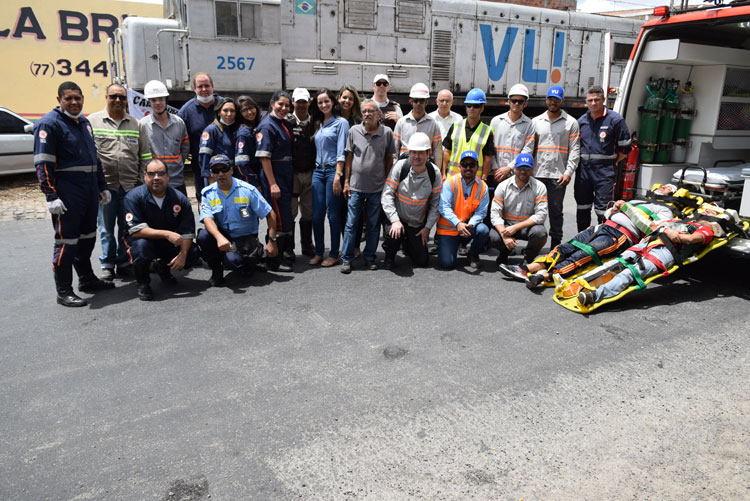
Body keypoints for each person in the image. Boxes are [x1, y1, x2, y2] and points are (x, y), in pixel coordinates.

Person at [499, 184, 681, 288]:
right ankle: (527, 268)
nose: (660, 187)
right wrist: (615, 209)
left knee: (583, 255)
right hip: (603, 226)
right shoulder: (638, 200)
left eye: (665, 188)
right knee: (566, 247)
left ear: (670, 194)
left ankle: (545, 276)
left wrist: (627, 209)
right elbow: (608, 213)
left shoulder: (665, 211)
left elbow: (654, 229)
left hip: (622, 235)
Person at [34, 81, 115, 307]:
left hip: (88, 190)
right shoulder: (49, 125)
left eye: (77, 98)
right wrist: (51, 196)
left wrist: (102, 186)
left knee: (88, 236)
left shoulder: (84, 123)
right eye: (68, 98)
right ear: (59, 100)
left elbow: (94, 159)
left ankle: (87, 279)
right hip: (67, 192)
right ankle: (63, 290)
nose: (74, 102)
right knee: (67, 241)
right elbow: (43, 164)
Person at [576, 206, 733, 307]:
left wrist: (670, 232)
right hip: (650, 242)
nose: (705, 210)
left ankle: (594, 295)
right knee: (616, 264)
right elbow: (655, 226)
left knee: (630, 273)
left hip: (665, 252)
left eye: (711, 211)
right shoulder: (681, 221)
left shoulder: (708, 229)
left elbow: (691, 239)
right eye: (705, 208)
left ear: (718, 217)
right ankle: (582, 283)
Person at [89, 83, 152, 280]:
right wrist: (96, 185)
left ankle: (124, 262)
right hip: (105, 187)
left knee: (126, 228)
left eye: (121, 97)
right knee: (106, 228)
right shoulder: (92, 122)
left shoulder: (137, 124)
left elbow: (146, 155)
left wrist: (141, 184)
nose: (117, 100)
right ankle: (107, 264)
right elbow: (89, 156)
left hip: (130, 187)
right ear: (106, 97)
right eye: (113, 96)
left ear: (126, 100)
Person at [123, 159, 199, 301]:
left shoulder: (179, 198)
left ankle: (162, 268)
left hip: (168, 243)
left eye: (161, 174)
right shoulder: (133, 197)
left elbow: (188, 231)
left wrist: (183, 255)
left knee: (192, 252)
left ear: (167, 176)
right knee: (140, 247)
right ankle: (143, 283)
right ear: (144, 175)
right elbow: (135, 231)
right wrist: (166, 233)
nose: (156, 178)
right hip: (145, 241)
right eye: (152, 174)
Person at [197, 155, 279, 286]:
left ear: (231, 170)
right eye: (216, 171)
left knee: (234, 262)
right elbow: (207, 219)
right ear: (211, 173)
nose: (221, 174)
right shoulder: (208, 193)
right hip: (223, 235)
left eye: (224, 169)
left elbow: (270, 214)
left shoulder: (247, 190)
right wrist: (219, 238)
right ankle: (217, 271)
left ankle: (249, 262)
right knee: (203, 236)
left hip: (245, 238)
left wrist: (272, 240)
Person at [340, 99, 396, 273]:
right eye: (364, 111)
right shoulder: (354, 131)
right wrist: (347, 181)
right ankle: (347, 258)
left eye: (371, 111)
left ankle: (370, 257)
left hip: (377, 188)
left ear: (378, 113)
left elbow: (389, 159)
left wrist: (387, 182)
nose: (367, 114)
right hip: (356, 187)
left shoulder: (386, 132)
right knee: (351, 224)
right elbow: (349, 158)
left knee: (373, 225)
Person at [524, 85, 580, 249]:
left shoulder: (571, 123)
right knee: (532, 210)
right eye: (550, 99)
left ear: (562, 101)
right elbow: (529, 147)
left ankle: (556, 245)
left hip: (558, 176)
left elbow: (575, 150)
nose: (553, 102)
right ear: (546, 100)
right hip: (537, 174)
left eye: (556, 99)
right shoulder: (536, 122)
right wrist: (526, 169)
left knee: (556, 212)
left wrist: (568, 172)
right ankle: (532, 243)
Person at [381, 132, 442, 269]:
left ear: (428, 153)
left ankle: (408, 244)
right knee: (392, 233)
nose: (417, 156)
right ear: (409, 152)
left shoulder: (434, 173)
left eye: (421, 153)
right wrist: (394, 220)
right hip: (399, 219)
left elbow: (436, 204)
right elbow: (387, 194)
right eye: (413, 152)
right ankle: (390, 255)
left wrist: (427, 228)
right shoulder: (400, 167)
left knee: (422, 261)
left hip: (416, 224)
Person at [575, 85, 632, 231]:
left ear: (603, 100)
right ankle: (582, 238)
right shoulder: (581, 121)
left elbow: (625, 148)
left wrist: (611, 162)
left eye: (597, 100)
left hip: (604, 172)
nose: (593, 103)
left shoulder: (615, 120)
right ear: (586, 101)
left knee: (603, 210)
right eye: (590, 100)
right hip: (583, 172)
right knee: (582, 207)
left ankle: (603, 240)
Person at [309, 88, 350, 268]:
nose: (324, 105)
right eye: (320, 102)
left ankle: (334, 254)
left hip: (334, 171)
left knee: (333, 215)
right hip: (318, 172)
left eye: (326, 101)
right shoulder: (318, 123)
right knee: (317, 215)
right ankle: (319, 252)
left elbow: (342, 152)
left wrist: (338, 176)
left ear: (333, 102)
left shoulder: (341, 123)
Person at [256, 90, 296, 272]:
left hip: (285, 176)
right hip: (275, 177)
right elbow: (265, 158)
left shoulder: (284, 124)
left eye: (287, 105)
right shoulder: (267, 126)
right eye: (280, 104)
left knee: (285, 217)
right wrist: (272, 183)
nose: (284, 108)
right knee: (277, 219)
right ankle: (273, 259)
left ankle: (282, 254)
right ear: (272, 103)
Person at [488, 152, 548, 267]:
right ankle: (504, 252)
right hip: (507, 225)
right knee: (493, 237)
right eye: (520, 167)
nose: (523, 171)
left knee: (540, 233)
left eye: (527, 168)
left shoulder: (540, 187)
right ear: (514, 168)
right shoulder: (503, 186)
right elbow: (495, 214)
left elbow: (541, 215)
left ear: (532, 169)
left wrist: (515, 227)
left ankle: (528, 257)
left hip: (527, 227)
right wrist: (505, 235)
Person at [436, 150, 490, 270]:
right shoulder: (450, 182)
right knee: (447, 263)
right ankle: (453, 245)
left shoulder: (483, 187)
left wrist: (471, 224)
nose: (468, 168)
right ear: (460, 166)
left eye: (472, 165)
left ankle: (473, 254)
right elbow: (443, 207)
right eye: (464, 164)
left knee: (483, 230)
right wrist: (458, 223)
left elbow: (481, 212)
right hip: (449, 230)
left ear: (477, 167)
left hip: (467, 228)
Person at [140, 80, 190, 195]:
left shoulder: (179, 123)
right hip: (154, 181)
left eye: (161, 99)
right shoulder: (143, 125)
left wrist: (177, 163)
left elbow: (185, 148)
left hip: (176, 180)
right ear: (149, 102)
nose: (158, 103)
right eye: (153, 100)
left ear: (166, 100)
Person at [178, 72, 220, 202]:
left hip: (226, 164)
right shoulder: (185, 112)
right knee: (206, 200)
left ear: (212, 86)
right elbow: (181, 139)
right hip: (201, 166)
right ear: (194, 89)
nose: (204, 90)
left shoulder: (224, 106)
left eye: (207, 86)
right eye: (200, 86)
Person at [441, 88, 495, 181]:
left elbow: (487, 158)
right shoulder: (455, 126)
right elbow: (447, 152)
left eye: (476, 106)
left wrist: (484, 177)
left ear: (482, 108)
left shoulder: (487, 131)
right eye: (469, 105)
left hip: (475, 181)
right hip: (453, 179)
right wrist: (443, 174)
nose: (472, 108)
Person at [288, 88, 316, 257]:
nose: (301, 105)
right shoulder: (287, 121)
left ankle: (307, 245)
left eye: (304, 102)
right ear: (293, 102)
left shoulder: (315, 122)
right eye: (298, 102)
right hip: (292, 174)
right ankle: (289, 249)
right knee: (290, 212)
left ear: (309, 102)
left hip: (310, 173)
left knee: (308, 211)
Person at [489, 83, 533, 185]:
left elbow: (527, 150)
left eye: (520, 101)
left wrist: (509, 168)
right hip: (495, 174)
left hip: (515, 174)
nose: (516, 103)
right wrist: (495, 168)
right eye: (514, 100)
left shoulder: (530, 125)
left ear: (525, 104)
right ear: (509, 101)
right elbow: (489, 146)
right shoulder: (496, 121)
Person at [393, 83, 441, 162]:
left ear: (427, 102)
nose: (418, 104)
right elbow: (395, 149)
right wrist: (395, 168)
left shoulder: (433, 124)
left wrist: (437, 171)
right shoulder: (401, 122)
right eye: (416, 100)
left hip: (425, 167)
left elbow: (437, 150)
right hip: (405, 165)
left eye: (422, 101)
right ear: (411, 102)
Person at [199, 97, 239, 187]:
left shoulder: (235, 129)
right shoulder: (212, 130)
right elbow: (204, 156)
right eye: (225, 110)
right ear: (219, 112)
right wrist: (210, 177)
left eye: (232, 111)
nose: (229, 114)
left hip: (233, 174)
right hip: (217, 176)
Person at [234, 95, 262, 188]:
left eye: (251, 108)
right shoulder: (243, 134)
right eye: (244, 110)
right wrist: (254, 183)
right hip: (251, 182)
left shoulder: (256, 127)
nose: (249, 112)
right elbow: (242, 164)